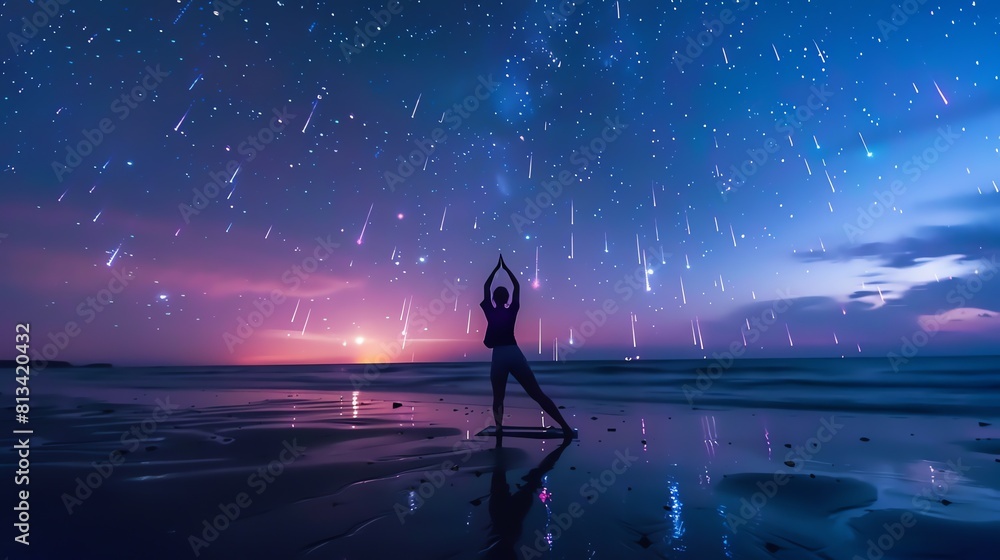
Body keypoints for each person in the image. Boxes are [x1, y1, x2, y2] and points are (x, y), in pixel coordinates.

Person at [481, 254, 573, 438]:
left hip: (499, 355)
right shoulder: (512, 310)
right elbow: (517, 286)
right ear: (506, 298)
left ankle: (499, 429)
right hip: (514, 353)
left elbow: (485, 286)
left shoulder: (490, 310)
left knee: (498, 397)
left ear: (493, 298)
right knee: (537, 393)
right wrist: (506, 269)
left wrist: (495, 269)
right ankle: (565, 427)